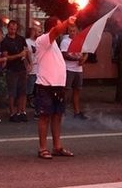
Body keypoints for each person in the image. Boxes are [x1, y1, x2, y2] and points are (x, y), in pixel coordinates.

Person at [35, 16, 76, 159]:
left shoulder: (55, 45)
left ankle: (57, 147)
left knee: (57, 116)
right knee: (44, 117)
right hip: (46, 85)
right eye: (59, 26)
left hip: (58, 87)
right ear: (52, 28)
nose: (63, 28)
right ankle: (42, 148)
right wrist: (67, 21)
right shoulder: (43, 40)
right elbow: (56, 30)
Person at [0, 20, 29, 122]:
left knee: (23, 91)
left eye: (15, 29)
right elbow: (5, 57)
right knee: (12, 92)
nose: (13, 30)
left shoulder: (21, 39)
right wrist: (18, 55)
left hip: (22, 68)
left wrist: (27, 62)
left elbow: (25, 50)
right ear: (8, 28)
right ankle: (12, 112)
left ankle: (22, 111)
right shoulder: (4, 42)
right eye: (11, 28)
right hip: (11, 69)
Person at [60, 25, 88, 120]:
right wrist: (76, 58)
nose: (72, 32)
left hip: (78, 69)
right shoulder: (65, 41)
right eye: (70, 31)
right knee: (66, 90)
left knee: (77, 90)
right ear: (68, 32)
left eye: (74, 31)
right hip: (69, 69)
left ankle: (77, 111)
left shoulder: (80, 40)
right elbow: (64, 55)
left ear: (77, 31)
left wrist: (83, 59)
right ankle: (61, 110)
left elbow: (86, 52)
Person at [25, 25, 42, 117]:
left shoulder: (39, 42)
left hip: (39, 69)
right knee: (30, 89)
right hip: (31, 69)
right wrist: (27, 65)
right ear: (33, 32)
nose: (40, 34)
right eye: (38, 32)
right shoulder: (27, 42)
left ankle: (37, 109)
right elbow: (25, 55)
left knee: (38, 90)